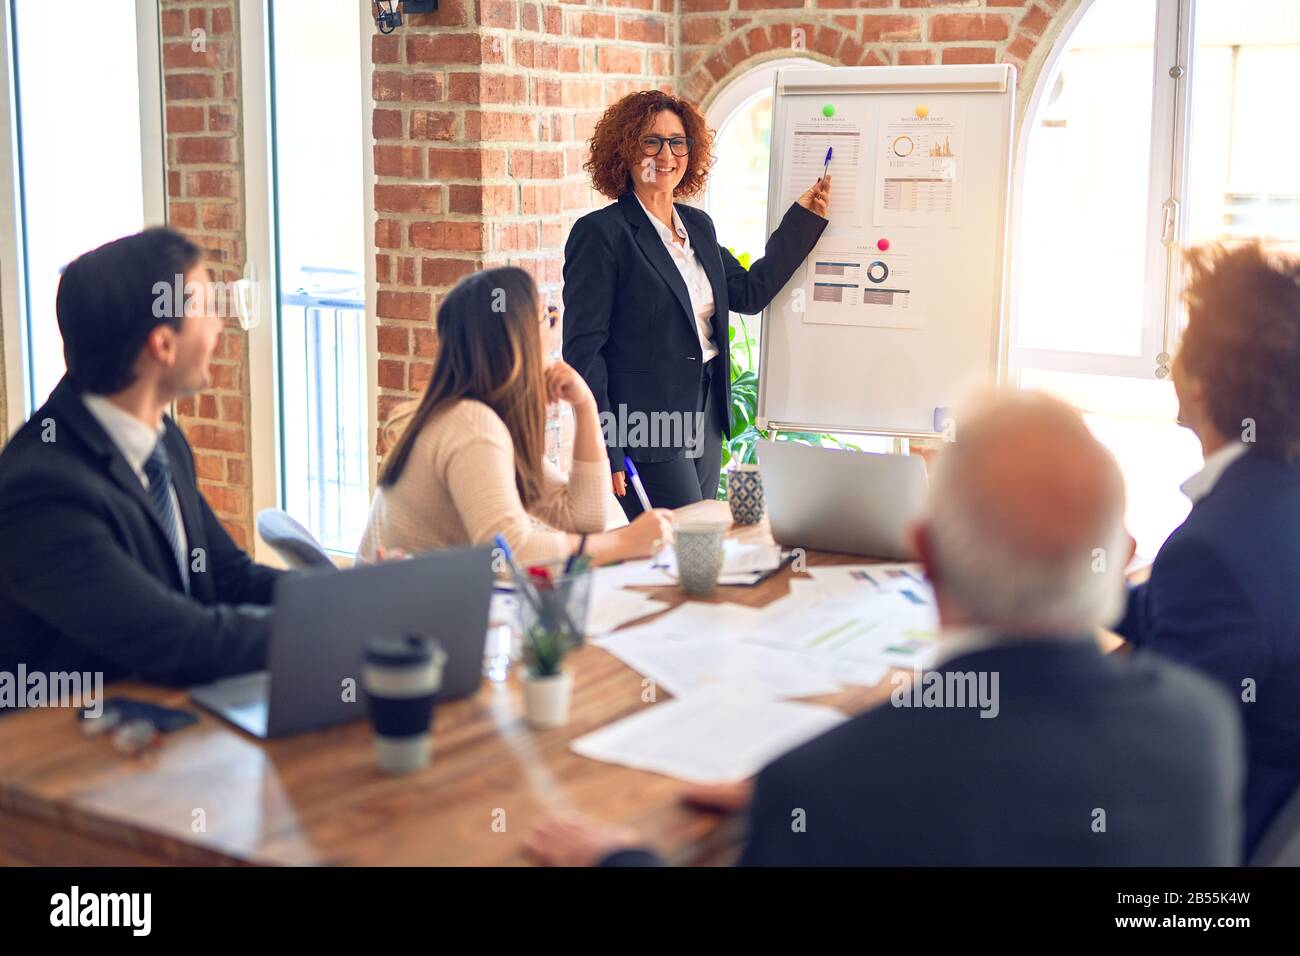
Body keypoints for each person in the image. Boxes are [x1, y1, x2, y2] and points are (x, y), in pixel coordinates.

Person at [525, 393, 1244, 866]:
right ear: (1117, 558)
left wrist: (622, 858)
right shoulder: (1200, 729)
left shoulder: (830, 787)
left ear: (925, 558)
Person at [0, 228, 288, 695]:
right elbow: (182, 642)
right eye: (206, 307)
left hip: (165, 732)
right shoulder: (42, 489)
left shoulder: (161, 440)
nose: (219, 324)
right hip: (70, 753)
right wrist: (332, 629)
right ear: (163, 345)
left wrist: (350, 599)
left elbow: (227, 576)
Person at [562, 90, 829, 518]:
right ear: (625, 150)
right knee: (684, 541)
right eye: (651, 141)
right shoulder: (601, 234)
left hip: (706, 411)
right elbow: (582, 351)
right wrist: (605, 443)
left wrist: (803, 221)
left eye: (677, 141)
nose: (666, 154)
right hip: (644, 424)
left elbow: (749, 293)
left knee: (696, 545)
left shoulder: (698, 226)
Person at [1115, 241, 1300, 860]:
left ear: (1201, 380)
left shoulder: (1212, 552)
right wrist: (1092, 584)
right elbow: (1209, 625)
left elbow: (1150, 759)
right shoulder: (1273, 501)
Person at [358, 266, 674, 569]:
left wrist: (585, 406)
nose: (552, 329)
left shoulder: (471, 415)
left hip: (417, 610)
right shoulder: (471, 424)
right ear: (516, 338)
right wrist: (623, 543)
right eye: (546, 317)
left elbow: (582, 518)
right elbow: (509, 552)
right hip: (399, 618)